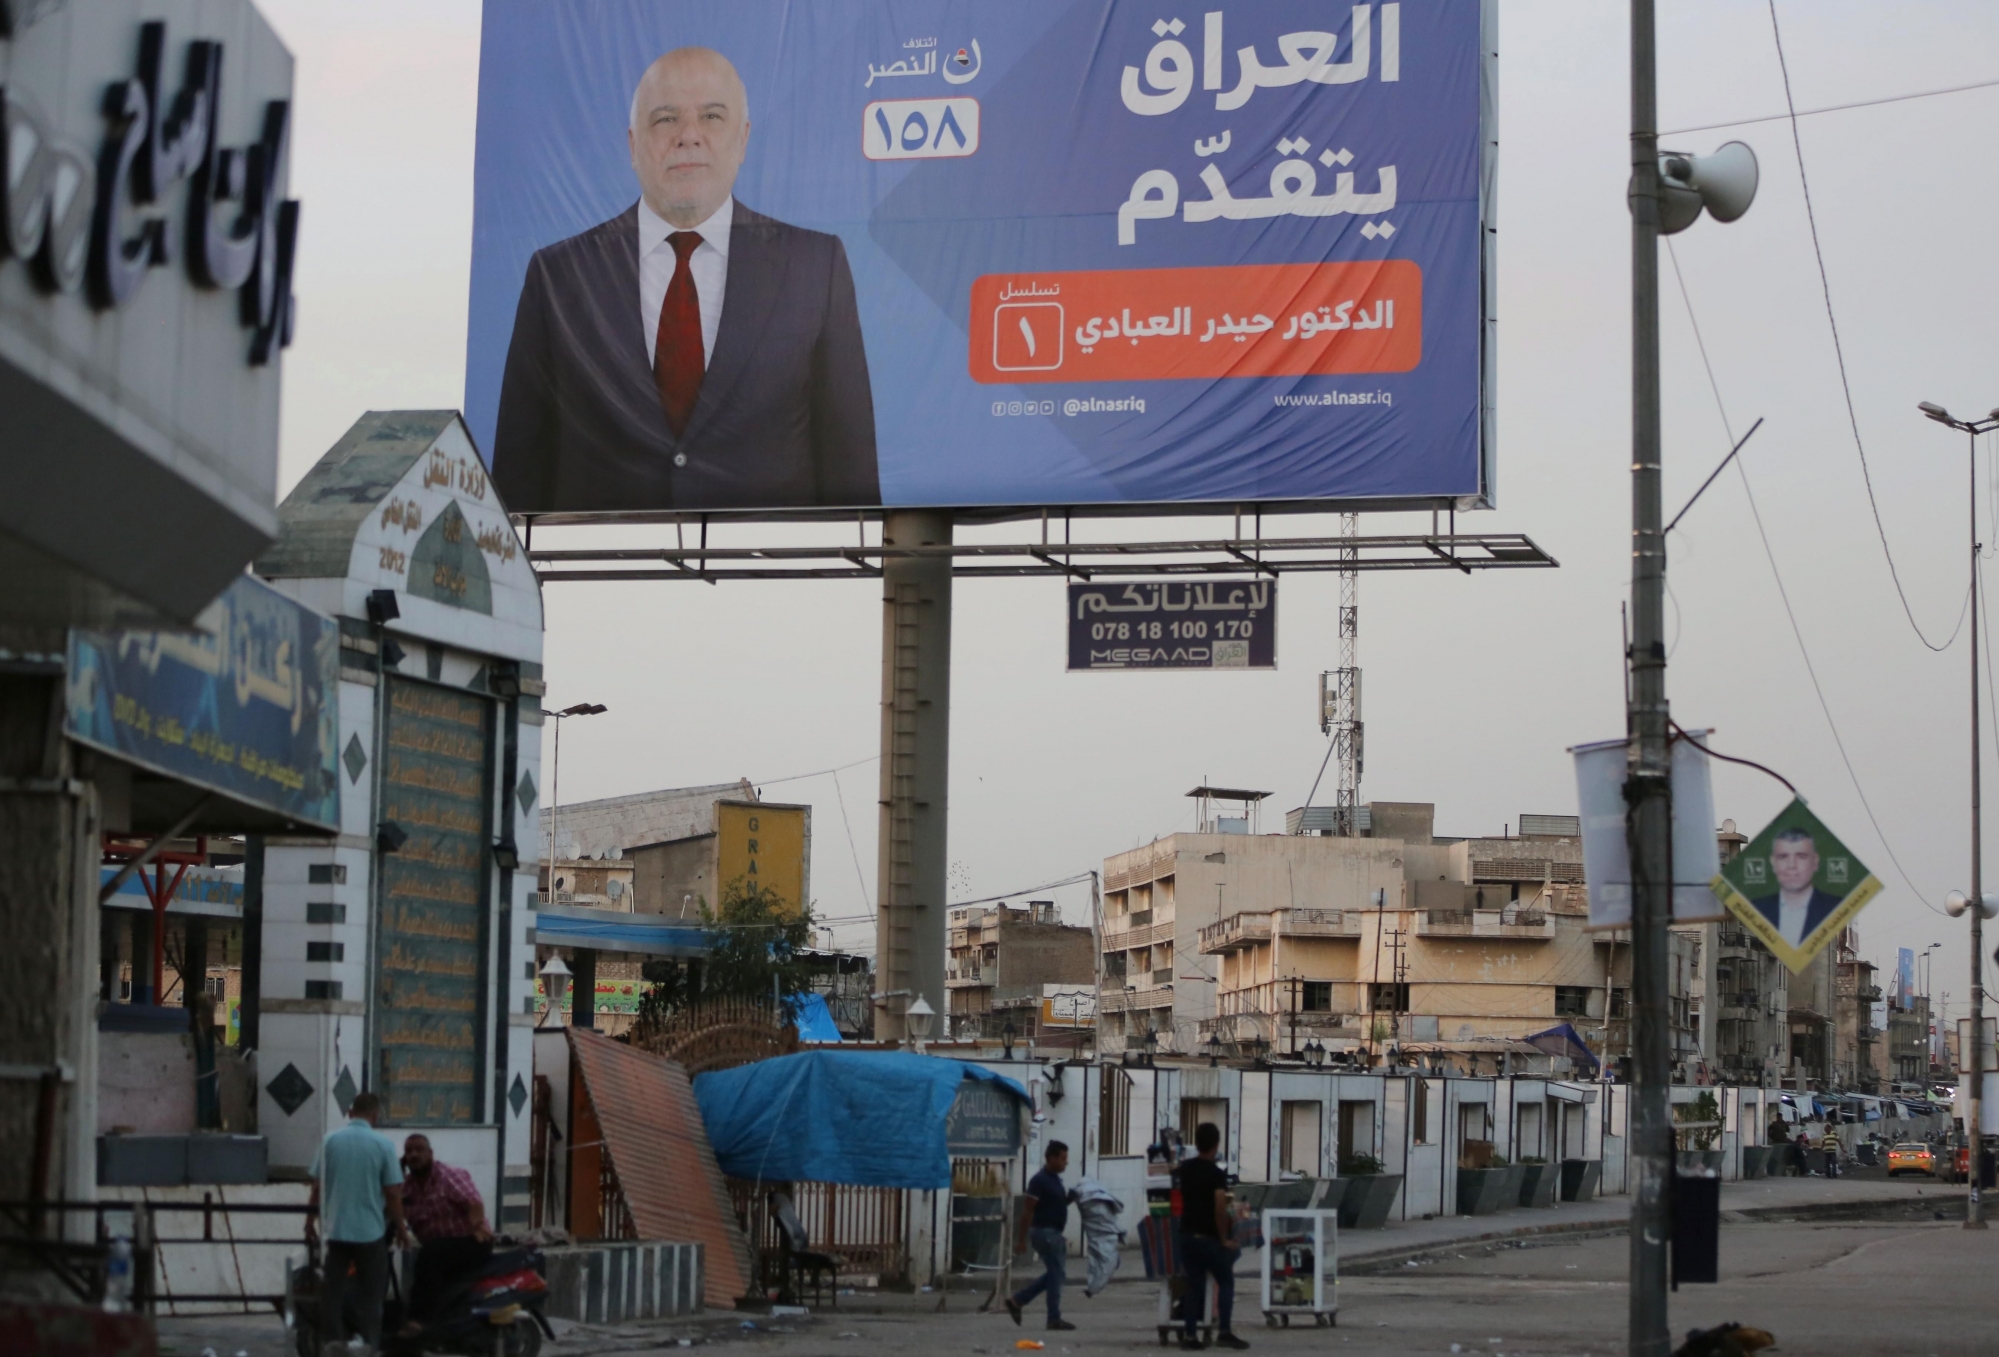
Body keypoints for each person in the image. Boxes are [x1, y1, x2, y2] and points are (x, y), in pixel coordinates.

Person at [492, 45, 880, 513]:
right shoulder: (557, 277)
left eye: (712, 117)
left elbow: (850, 471)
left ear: (743, 140)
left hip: (772, 577)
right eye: (665, 119)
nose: (688, 136)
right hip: (599, 577)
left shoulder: (817, 267)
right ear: (634, 145)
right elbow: (518, 477)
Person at [306, 1092, 409, 1356]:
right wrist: (401, 1228)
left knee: (332, 1293)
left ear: (350, 1113)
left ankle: (333, 1343)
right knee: (372, 1296)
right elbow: (393, 1193)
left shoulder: (329, 1141)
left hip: (336, 1233)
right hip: (370, 1234)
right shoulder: (383, 1145)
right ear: (375, 1116)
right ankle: (368, 1345)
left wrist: (309, 1222)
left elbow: (317, 1188)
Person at [399, 1134, 493, 1327]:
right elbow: (394, 1206)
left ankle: (419, 1321)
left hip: (471, 1240)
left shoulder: (448, 1176)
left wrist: (477, 1226)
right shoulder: (407, 1186)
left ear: (430, 1153)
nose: (414, 1155)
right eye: (409, 1151)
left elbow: (473, 1202)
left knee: (430, 1255)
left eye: (419, 1150)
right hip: (441, 1247)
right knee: (429, 1256)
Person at [1176, 1122, 1249, 1351]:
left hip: (1187, 1235)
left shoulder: (1184, 1168)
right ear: (1216, 1145)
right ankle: (1224, 1331)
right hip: (1208, 1238)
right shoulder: (1216, 1175)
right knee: (1225, 1279)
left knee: (1193, 1284)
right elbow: (1219, 1209)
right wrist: (1224, 1238)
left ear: (1197, 1143)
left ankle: (1189, 1335)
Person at [1004, 1140, 1077, 1332]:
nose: (1065, 1163)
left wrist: (1069, 1199)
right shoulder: (1039, 1180)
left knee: (1056, 1274)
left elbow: (1055, 1206)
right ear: (1050, 1158)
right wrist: (1021, 1240)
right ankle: (1053, 1318)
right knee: (1056, 1274)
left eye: (1066, 1159)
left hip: (1052, 1232)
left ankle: (1018, 1301)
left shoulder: (1054, 1181)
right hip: (1045, 1233)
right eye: (1062, 1159)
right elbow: (1027, 1211)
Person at [1747, 828, 1843, 948]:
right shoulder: (1757, 908)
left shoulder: (1833, 908)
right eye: (1783, 857)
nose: (1792, 865)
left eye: (1801, 856)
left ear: (1815, 861)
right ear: (1773, 862)